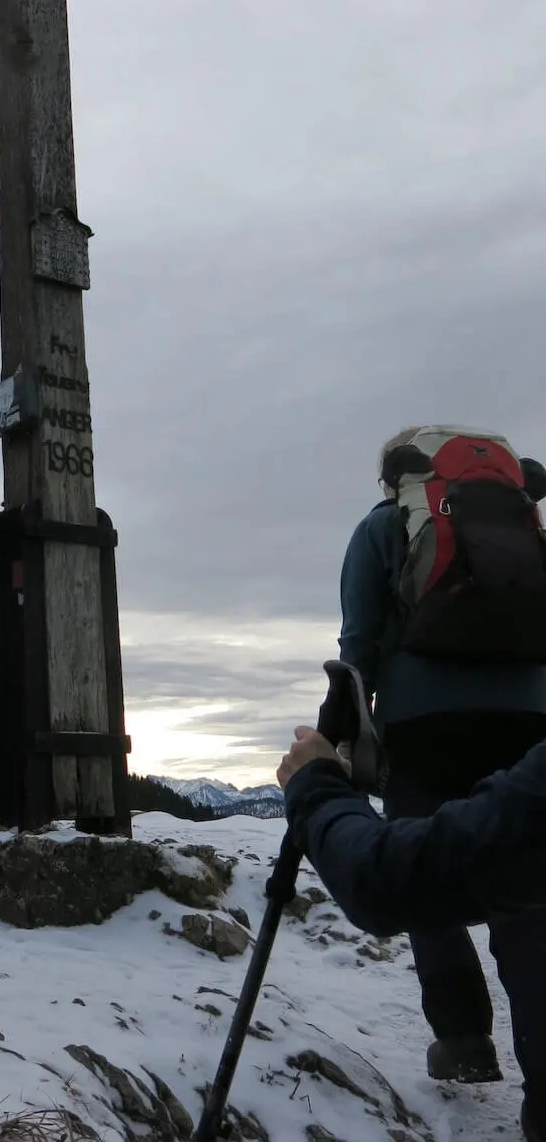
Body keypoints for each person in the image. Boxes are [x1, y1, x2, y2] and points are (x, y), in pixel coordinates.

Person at [338, 427, 546, 1086]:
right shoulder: (525, 526)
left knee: (423, 874)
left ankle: (463, 1041)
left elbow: (357, 643)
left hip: (423, 727)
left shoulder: (383, 527)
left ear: (396, 480)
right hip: (529, 725)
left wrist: (343, 736)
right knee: (529, 897)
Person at [279, 726, 546, 1142]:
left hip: (417, 734)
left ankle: (460, 1035)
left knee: (429, 864)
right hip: (526, 722)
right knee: (527, 907)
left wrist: (317, 788)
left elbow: (385, 880)